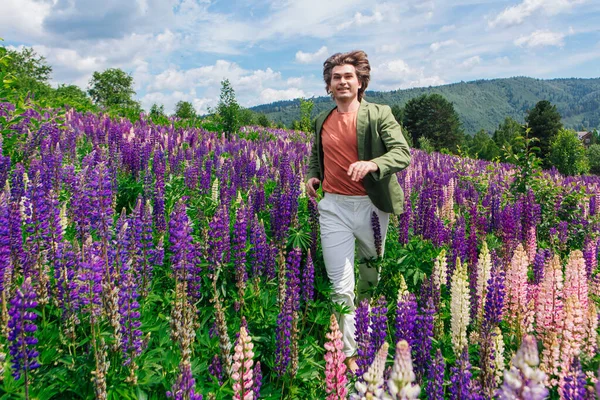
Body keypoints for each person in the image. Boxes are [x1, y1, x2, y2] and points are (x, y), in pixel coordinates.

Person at [305, 50, 411, 372]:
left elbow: (402, 153)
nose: (342, 82)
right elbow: (316, 154)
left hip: (371, 207)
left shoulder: (379, 114)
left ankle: (362, 324)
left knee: (370, 276)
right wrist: (313, 175)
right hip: (333, 206)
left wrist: (373, 163)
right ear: (329, 85)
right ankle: (348, 353)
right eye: (336, 77)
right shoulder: (322, 120)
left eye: (348, 76)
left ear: (360, 81)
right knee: (340, 285)